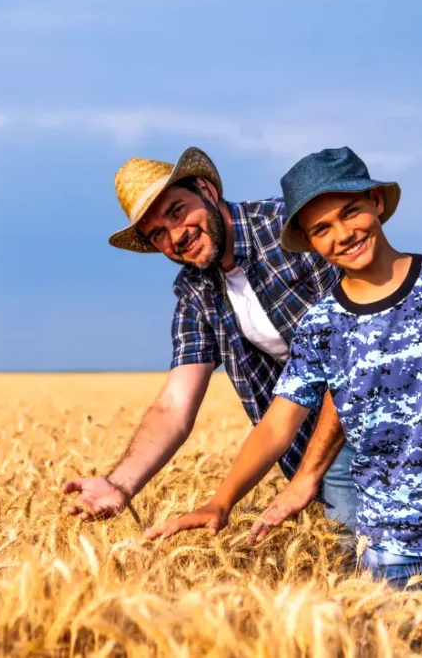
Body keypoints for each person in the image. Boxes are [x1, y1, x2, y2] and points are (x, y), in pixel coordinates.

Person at [145, 147, 422, 658]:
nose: (342, 234)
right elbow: (277, 424)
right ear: (310, 244)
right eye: (321, 229)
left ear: (377, 202)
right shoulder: (321, 326)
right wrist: (220, 502)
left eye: (350, 212)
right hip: (387, 542)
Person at [61, 146, 359, 539]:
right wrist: (121, 484)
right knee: (365, 569)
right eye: (157, 234)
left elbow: (362, 338)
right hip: (304, 441)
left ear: (207, 190)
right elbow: (174, 405)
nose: (176, 236)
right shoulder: (195, 289)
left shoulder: (289, 227)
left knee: (390, 568)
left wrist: (314, 470)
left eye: (176, 211)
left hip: (374, 415)